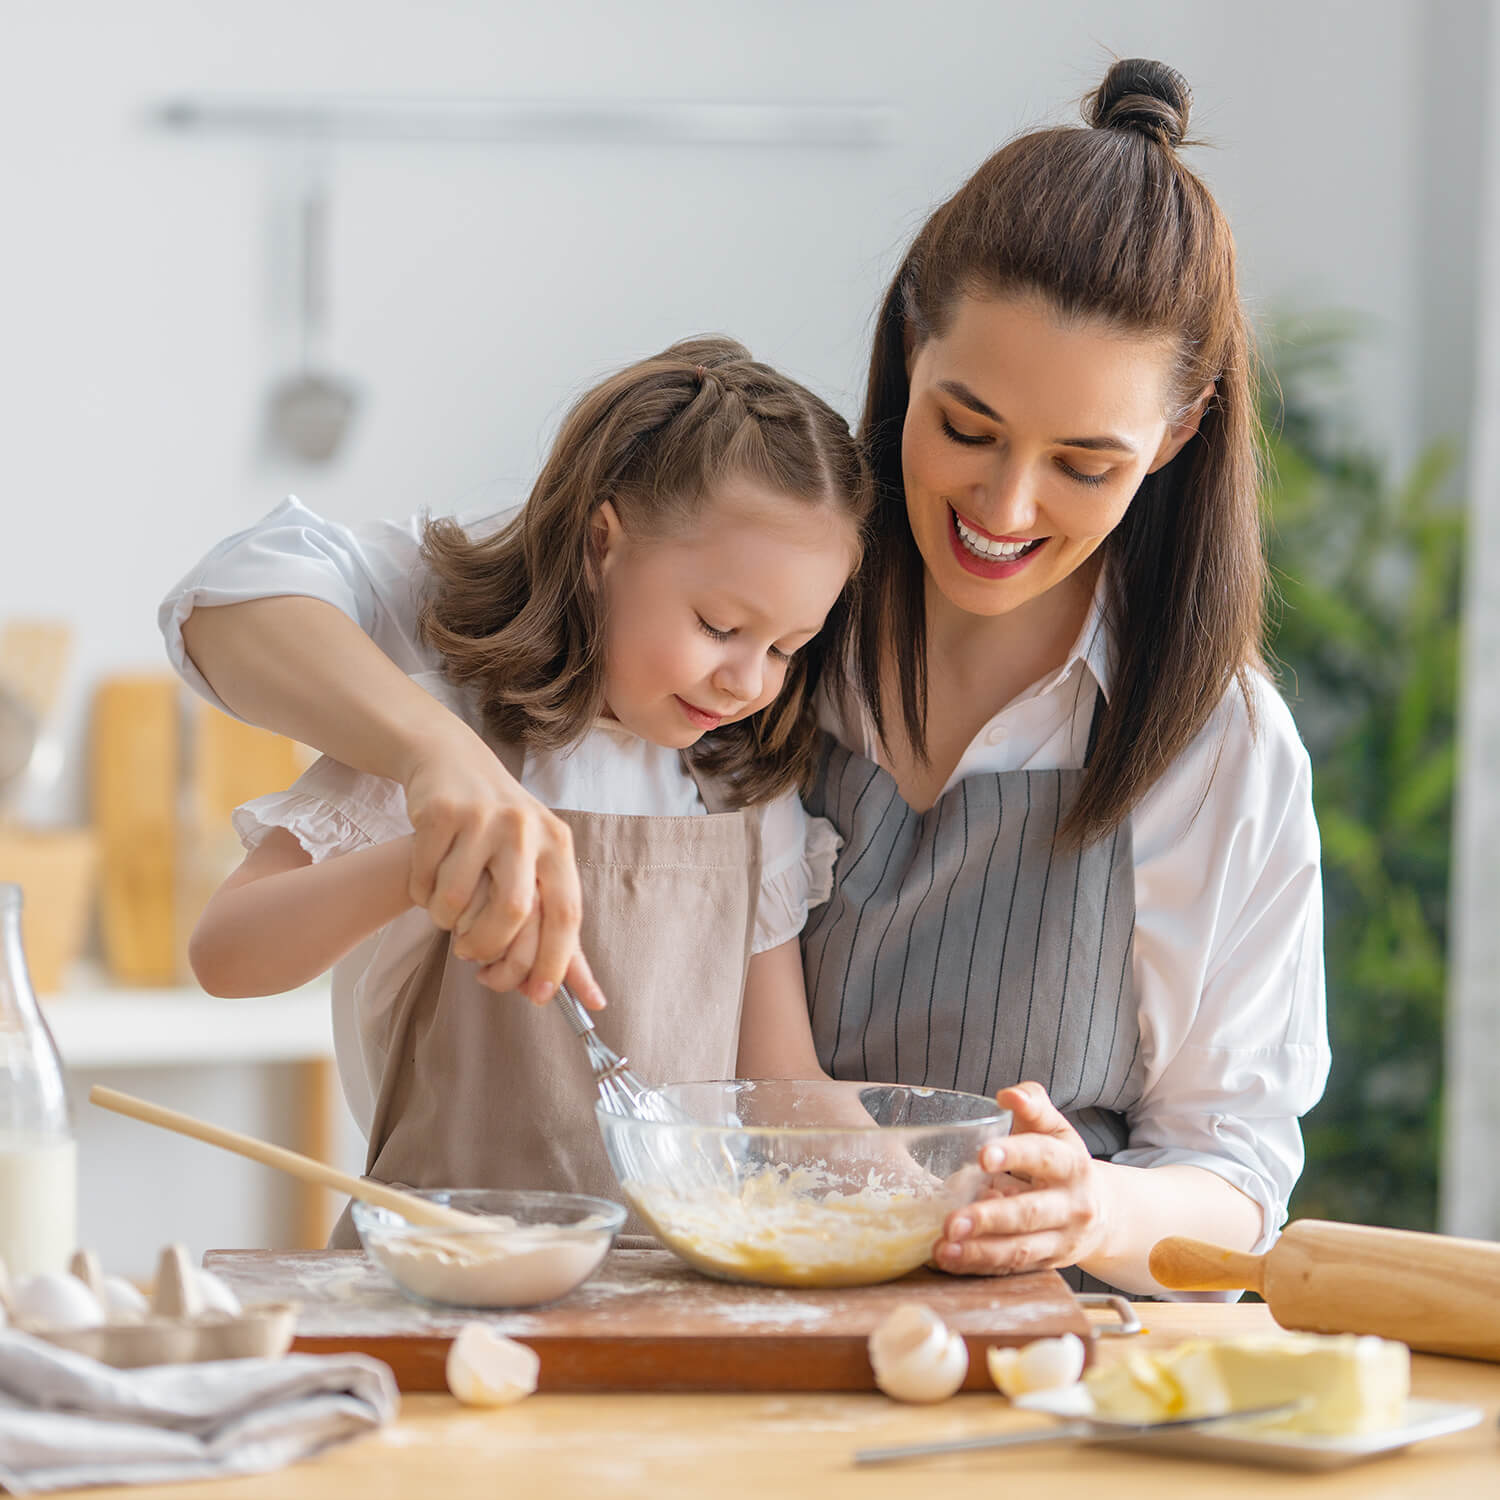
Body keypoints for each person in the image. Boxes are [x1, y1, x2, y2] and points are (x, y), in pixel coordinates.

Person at [161, 60, 1329, 1295]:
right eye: (967, 428)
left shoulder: (1215, 749)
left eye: (1085, 465)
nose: (1004, 505)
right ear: (911, 344)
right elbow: (243, 591)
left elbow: (1234, 1172)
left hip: (1032, 1340)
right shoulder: (756, 556)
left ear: (1179, 433)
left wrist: (1086, 1208)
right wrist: (440, 767)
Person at [185, 337, 868, 1242]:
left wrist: (933, 1196)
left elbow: (784, 1083)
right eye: (718, 626)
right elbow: (225, 955)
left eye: (785, 649)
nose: (747, 680)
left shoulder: (740, 792)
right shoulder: (446, 735)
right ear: (601, 544)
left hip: (668, 1279)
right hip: (440, 1264)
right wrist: (424, 863)